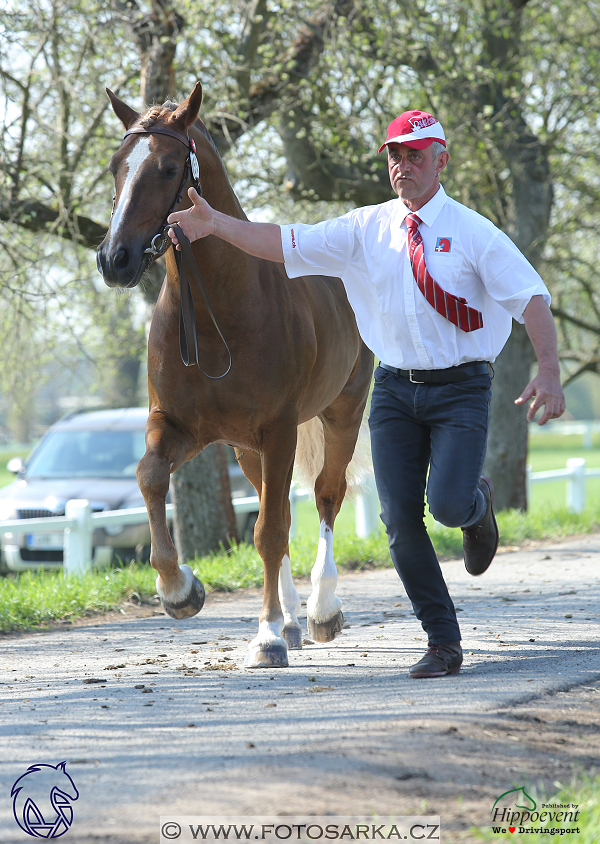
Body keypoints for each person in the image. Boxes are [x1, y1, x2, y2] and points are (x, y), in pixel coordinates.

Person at [167, 110, 565, 679]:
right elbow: (282, 242)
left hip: (461, 389)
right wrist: (216, 225)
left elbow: (531, 299)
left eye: (416, 156)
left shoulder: (475, 232)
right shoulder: (364, 229)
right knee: (400, 522)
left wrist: (548, 372)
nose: (403, 166)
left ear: (441, 161)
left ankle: (476, 505)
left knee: (447, 506)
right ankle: (443, 642)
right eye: (395, 156)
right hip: (395, 392)